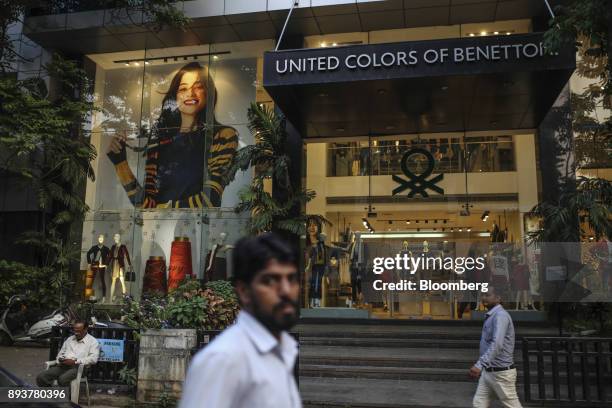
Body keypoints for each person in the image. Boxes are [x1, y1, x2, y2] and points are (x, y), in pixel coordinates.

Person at [179, 233, 301, 408]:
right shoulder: (222, 360)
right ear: (244, 291)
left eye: (292, 278)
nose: (286, 290)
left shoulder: (284, 351)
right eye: (270, 280)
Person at [107, 61, 238, 209]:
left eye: (199, 87)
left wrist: (164, 209)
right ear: (175, 96)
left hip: (199, 228)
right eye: (183, 89)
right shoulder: (160, 139)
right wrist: (120, 162)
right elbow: (145, 205)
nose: (191, 93)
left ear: (209, 93)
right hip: (159, 230)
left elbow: (210, 200)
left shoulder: (222, 135)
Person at [469, 286, 522, 408]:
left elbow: (497, 344)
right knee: (479, 404)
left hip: (501, 373)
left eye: (487, 295)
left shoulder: (500, 316)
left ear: (498, 298)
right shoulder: (492, 315)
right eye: (483, 295)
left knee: (512, 405)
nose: (483, 298)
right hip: (488, 371)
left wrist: (479, 365)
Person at [36, 320, 100, 387]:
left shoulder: (93, 342)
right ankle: (52, 394)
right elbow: (60, 354)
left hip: (78, 368)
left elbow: (93, 359)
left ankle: (66, 395)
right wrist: (60, 359)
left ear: (86, 329)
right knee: (41, 377)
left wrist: (75, 361)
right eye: (75, 330)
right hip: (63, 366)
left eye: (79, 331)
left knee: (62, 379)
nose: (76, 333)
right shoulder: (70, 339)